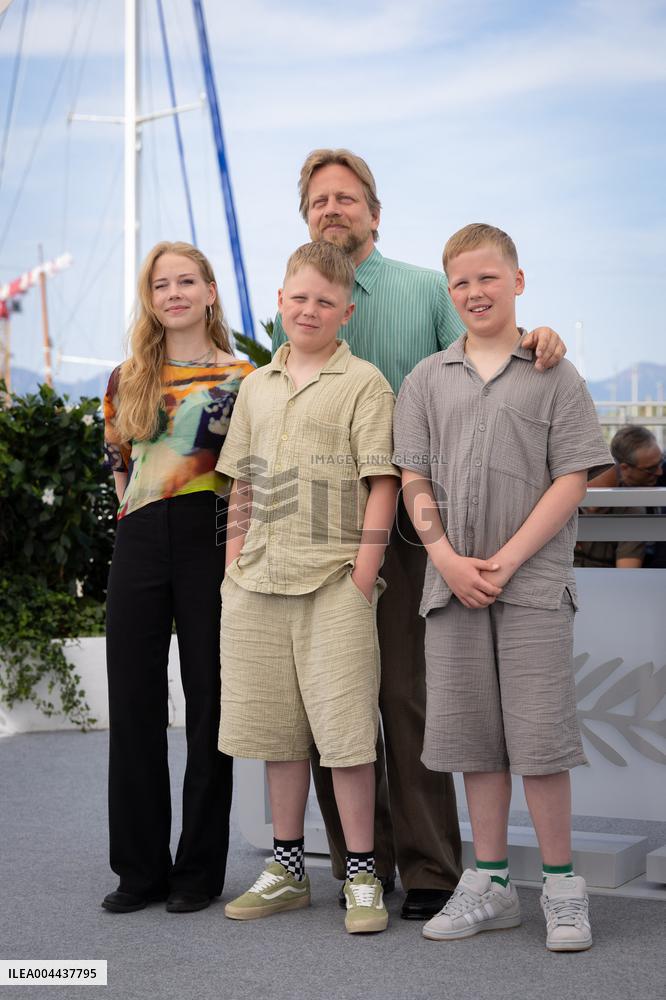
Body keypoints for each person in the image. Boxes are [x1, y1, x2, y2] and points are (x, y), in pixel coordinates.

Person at [272, 148, 567, 920]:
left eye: (345, 198)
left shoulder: (423, 288)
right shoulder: (307, 297)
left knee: (409, 695)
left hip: (409, 522)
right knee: (332, 703)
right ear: (306, 217)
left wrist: (537, 337)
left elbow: (480, 351)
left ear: (374, 210)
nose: (331, 210)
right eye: (317, 201)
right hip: (315, 526)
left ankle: (433, 866)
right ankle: (356, 863)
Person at [393, 223, 611, 951]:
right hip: (451, 583)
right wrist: (446, 557)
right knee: (475, 740)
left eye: (488, 278)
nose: (474, 291)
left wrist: (510, 559)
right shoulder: (427, 378)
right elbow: (413, 476)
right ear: (447, 292)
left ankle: (561, 888)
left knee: (540, 738)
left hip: (533, 584)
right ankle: (488, 884)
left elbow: (573, 476)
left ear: (517, 282)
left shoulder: (555, 373)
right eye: (460, 282)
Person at [217, 241, 399, 934]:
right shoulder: (257, 386)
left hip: (333, 586)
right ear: (280, 302)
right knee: (278, 732)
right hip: (257, 581)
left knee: (348, 735)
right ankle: (287, 868)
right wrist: (234, 565)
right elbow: (241, 481)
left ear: (345, 311)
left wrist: (362, 575)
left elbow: (381, 482)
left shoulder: (366, 384)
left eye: (325, 300)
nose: (310, 309)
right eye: (299, 298)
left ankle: (361, 872)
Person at [102, 241, 254, 914]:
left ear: (210, 291)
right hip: (139, 535)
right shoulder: (126, 377)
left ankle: (196, 872)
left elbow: (249, 475)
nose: (174, 293)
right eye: (161, 284)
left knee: (209, 707)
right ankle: (139, 873)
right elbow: (120, 468)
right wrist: (137, 518)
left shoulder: (245, 378)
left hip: (209, 536)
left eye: (186, 281)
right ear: (151, 298)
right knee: (132, 704)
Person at [578, 425, 664, 567]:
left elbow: (627, 572)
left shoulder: (632, 510)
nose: (660, 472)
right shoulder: (565, 496)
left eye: (661, 463)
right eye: (650, 469)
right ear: (624, 468)